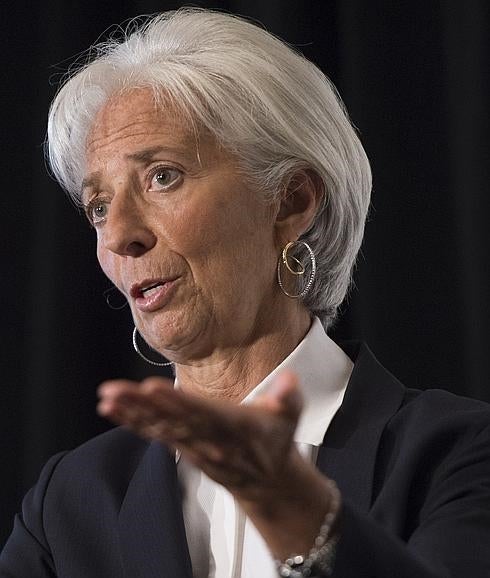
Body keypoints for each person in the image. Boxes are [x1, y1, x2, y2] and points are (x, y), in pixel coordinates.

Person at [1, 7, 489, 578]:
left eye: (163, 176)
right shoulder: (68, 504)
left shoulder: (455, 453)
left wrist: (294, 510)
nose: (118, 236)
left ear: (291, 202)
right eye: (99, 206)